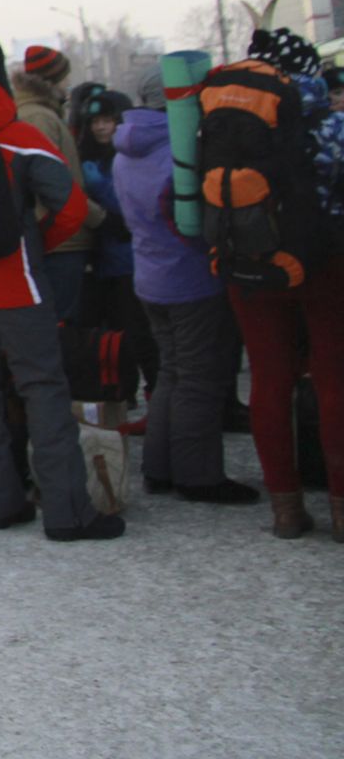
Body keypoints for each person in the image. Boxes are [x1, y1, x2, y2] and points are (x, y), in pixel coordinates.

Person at [0, 34, 121, 541]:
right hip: (20, 286)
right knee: (44, 392)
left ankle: (0, 504)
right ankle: (67, 513)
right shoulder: (20, 136)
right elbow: (73, 208)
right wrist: (37, 243)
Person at [216, 28, 344, 540]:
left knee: (270, 381)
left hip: (249, 266)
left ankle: (286, 510)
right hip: (326, 263)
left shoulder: (222, 121)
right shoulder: (330, 125)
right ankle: (340, 510)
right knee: (334, 380)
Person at [112, 70, 257, 503]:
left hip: (149, 276)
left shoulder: (125, 151)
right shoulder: (179, 155)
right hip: (189, 278)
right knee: (198, 379)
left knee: (171, 372)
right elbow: (194, 224)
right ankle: (199, 477)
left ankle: (159, 468)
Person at [13, 45, 108, 323]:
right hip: (60, 237)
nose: (68, 83)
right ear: (51, 80)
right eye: (64, 77)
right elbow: (53, 183)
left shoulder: (40, 112)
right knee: (62, 322)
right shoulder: (39, 117)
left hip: (59, 235)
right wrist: (99, 219)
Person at [78, 90, 158, 405]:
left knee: (140, 331)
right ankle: (122, 392)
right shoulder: (84, 159)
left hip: (131, 257)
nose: (101, 128)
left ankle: (153, 390)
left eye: (107, 121)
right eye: (95, 121)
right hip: (100, 257)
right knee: (111, 333)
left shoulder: (133, 155)